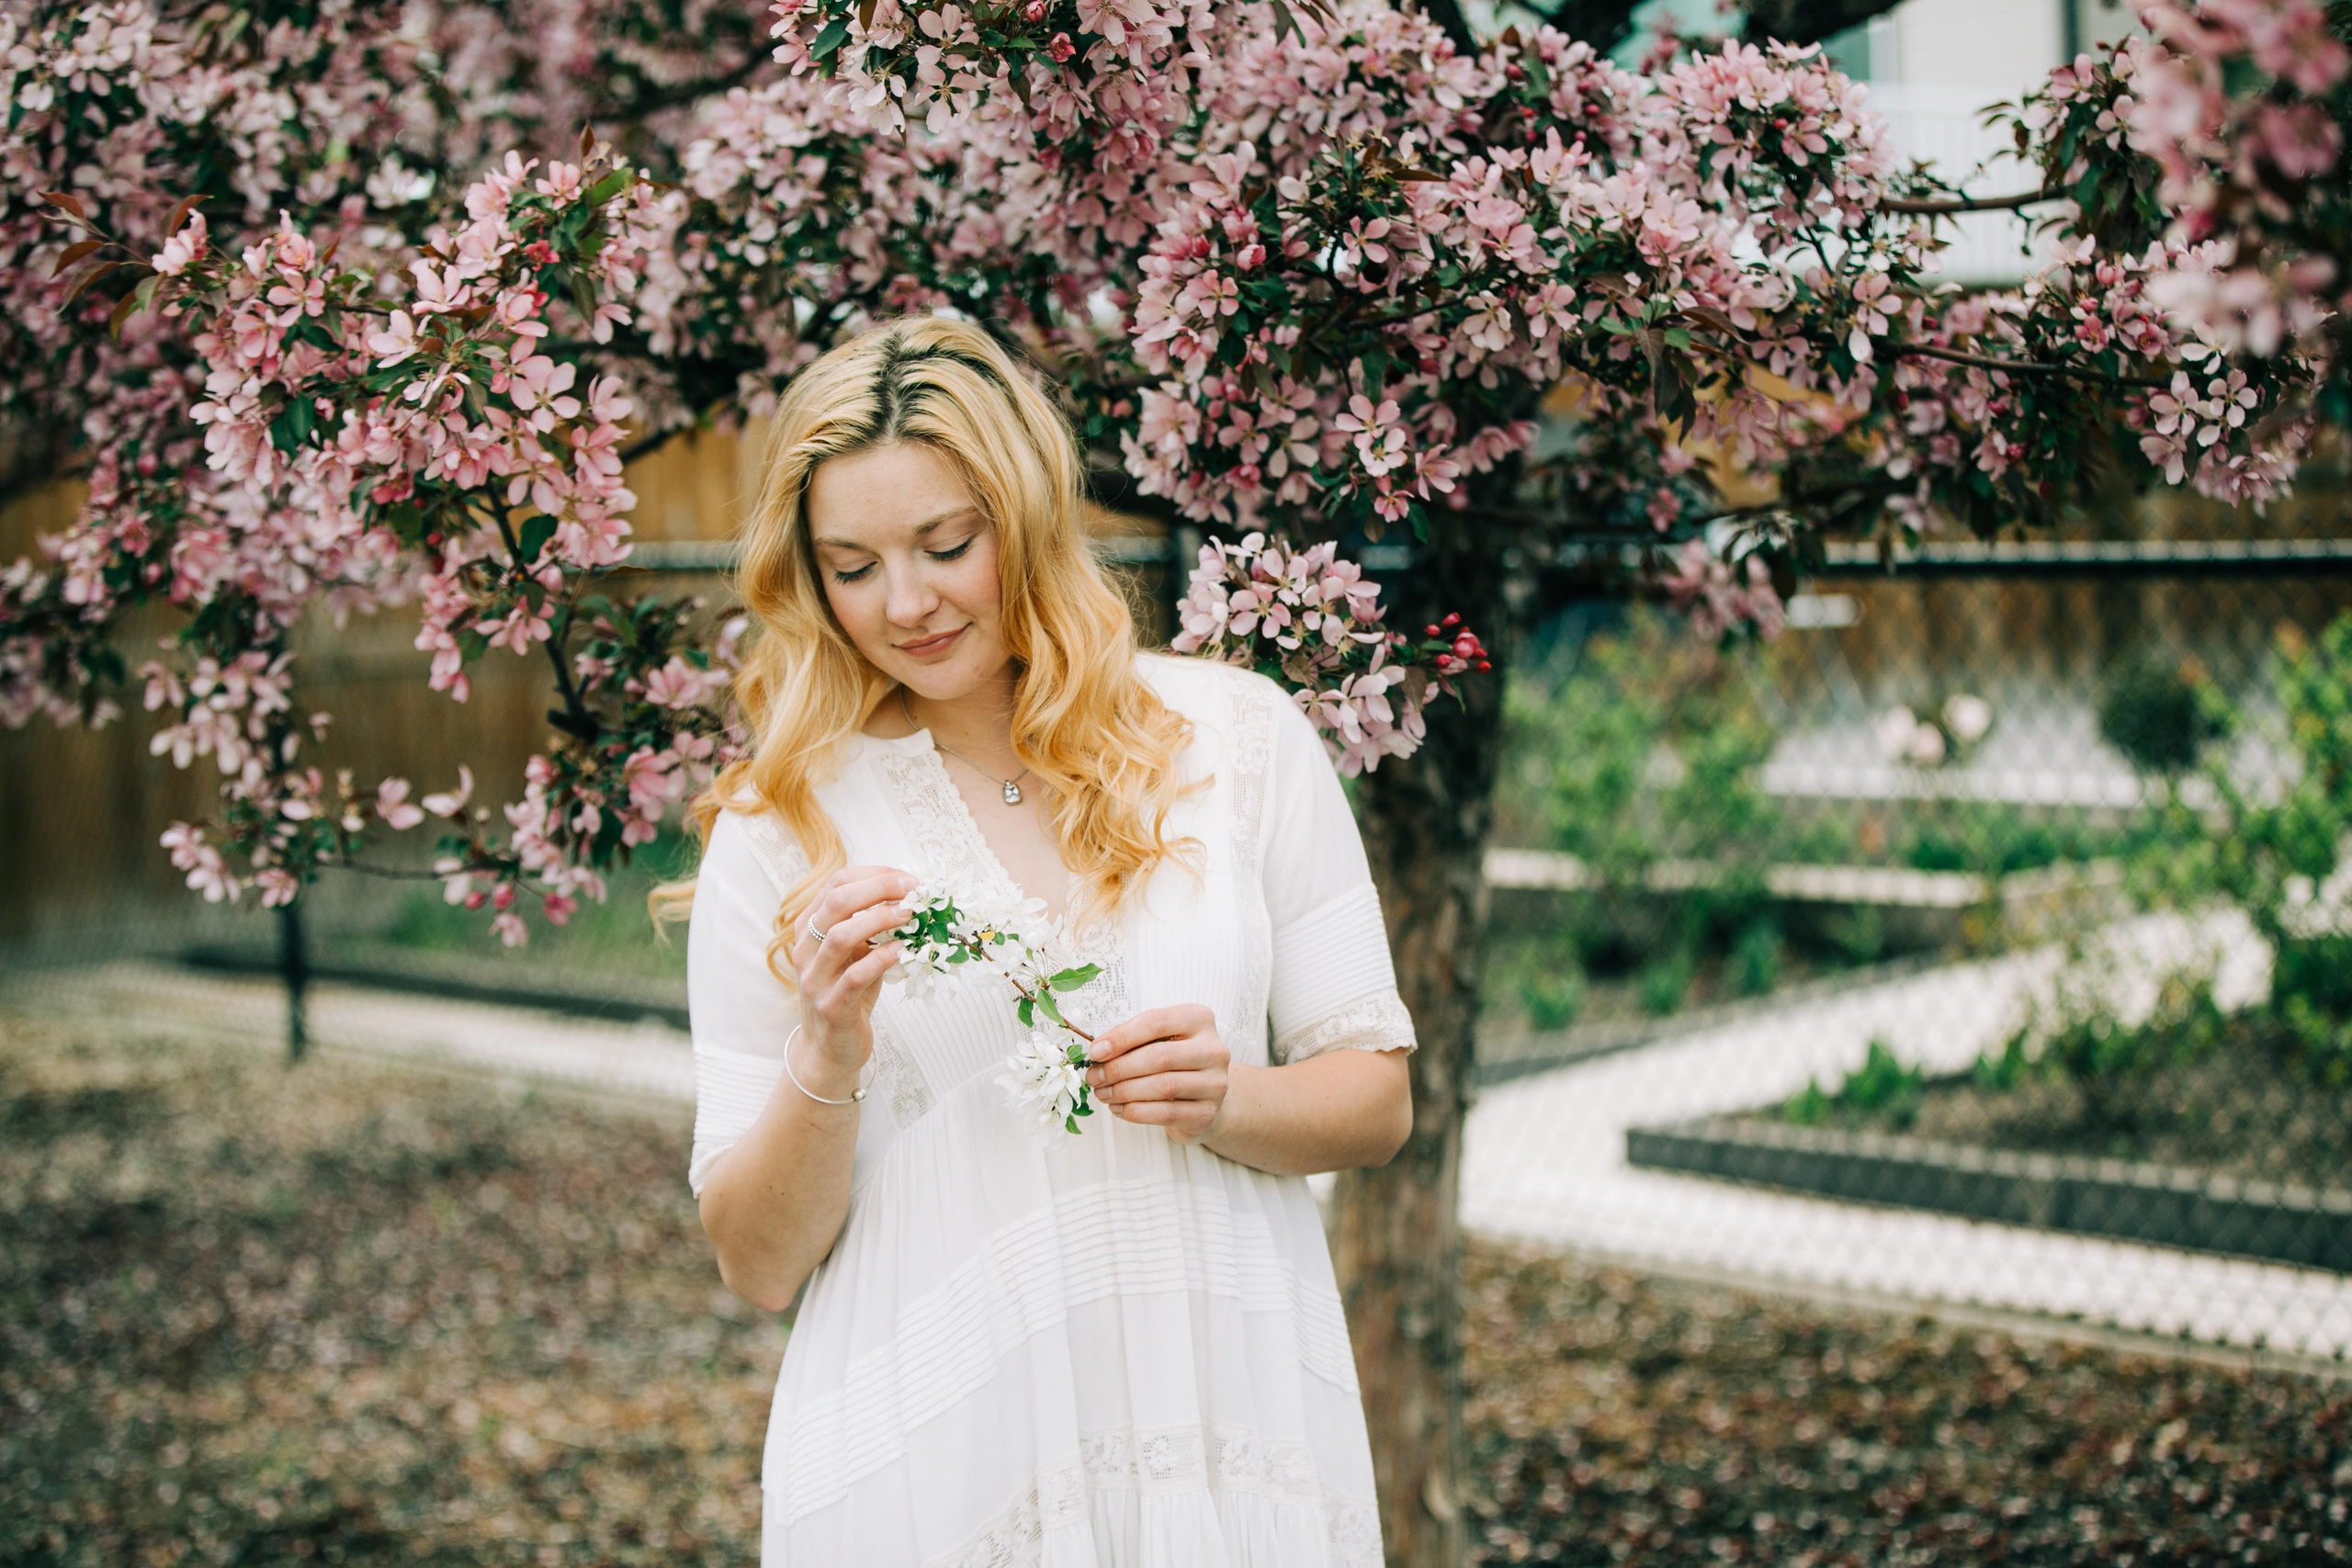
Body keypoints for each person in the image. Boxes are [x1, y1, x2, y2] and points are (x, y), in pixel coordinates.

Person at [680, 314, 1416, 1567]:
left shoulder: (1235, 739)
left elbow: (1376, 1099)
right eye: (851, 566)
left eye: (946, 545)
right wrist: (825, 1052)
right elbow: (756, 1261)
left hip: (1224, 1429)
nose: (904, 603)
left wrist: (1227, 1097)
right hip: (944, 1472)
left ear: (1020, 517)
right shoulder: (781, 831)